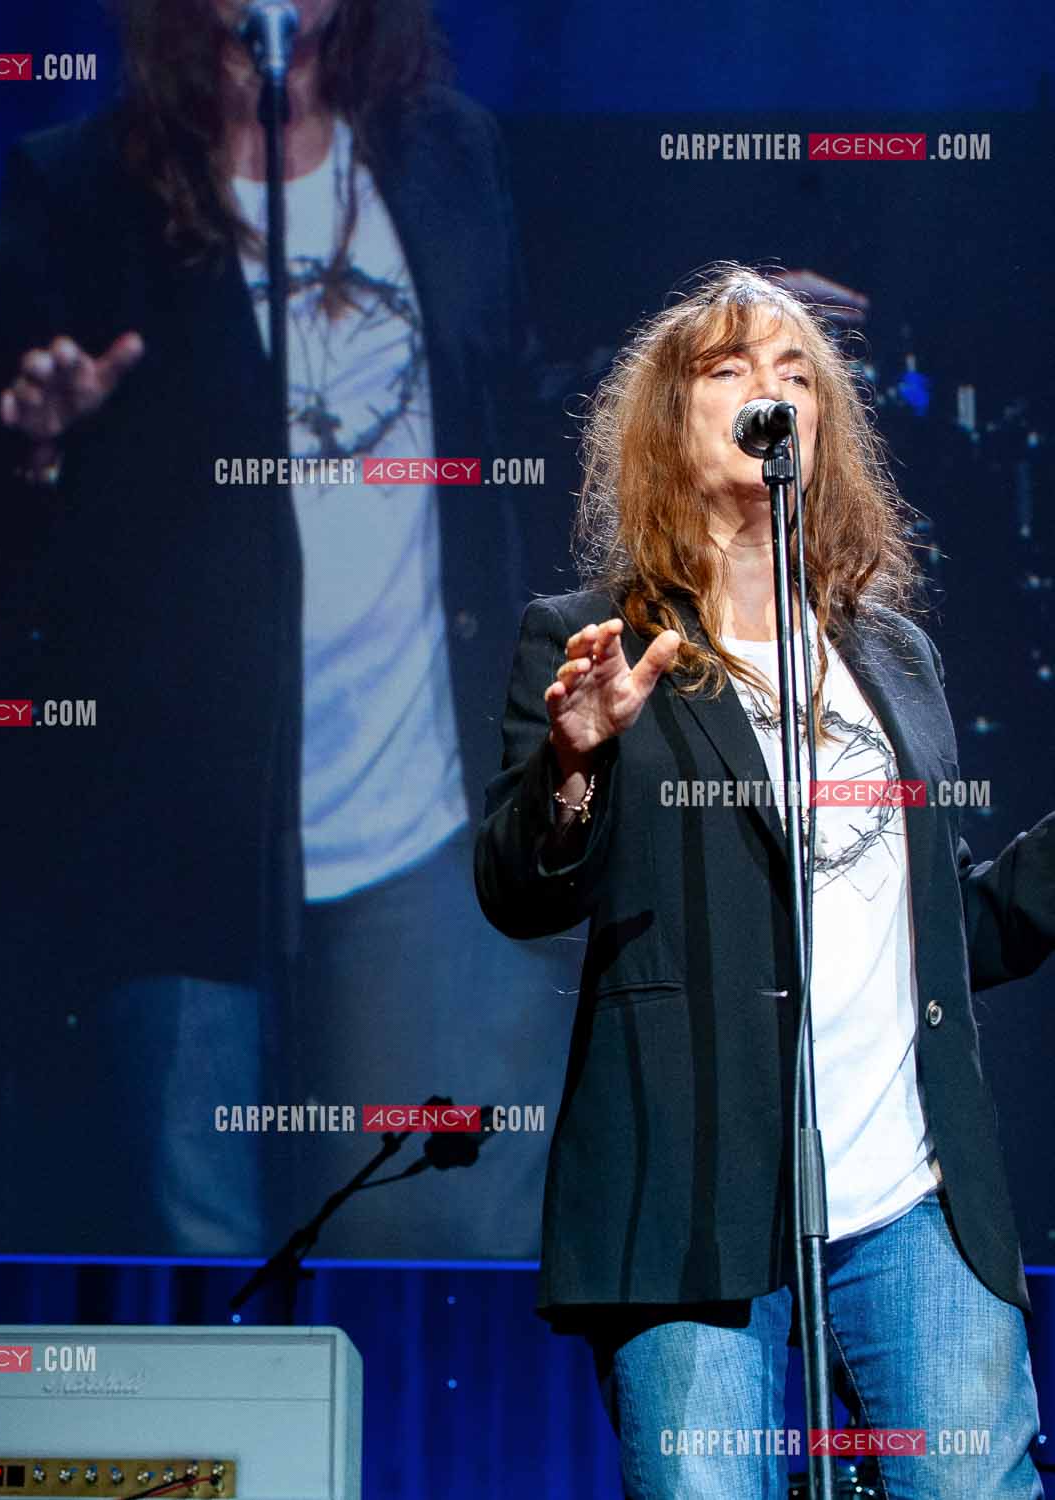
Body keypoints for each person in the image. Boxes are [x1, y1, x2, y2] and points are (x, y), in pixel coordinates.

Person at [0, 0, 569, 1257]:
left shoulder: (450, 153)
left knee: (430, 1222)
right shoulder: (78, 183)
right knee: (196, 1249)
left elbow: (519, 401)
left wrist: (701, 359)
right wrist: (35, 437)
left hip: (423, 804)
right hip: (186, 829)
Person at [475, 264, 1046, 1498]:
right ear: (668, 423)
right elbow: (521, 890)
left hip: (909, 1196)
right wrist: (575, 762)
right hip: (689, 1201)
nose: (767, 389)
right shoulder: (593, 638)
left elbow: (948, 930)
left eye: (795, 372)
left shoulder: (890, 655)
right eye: (728, 369)